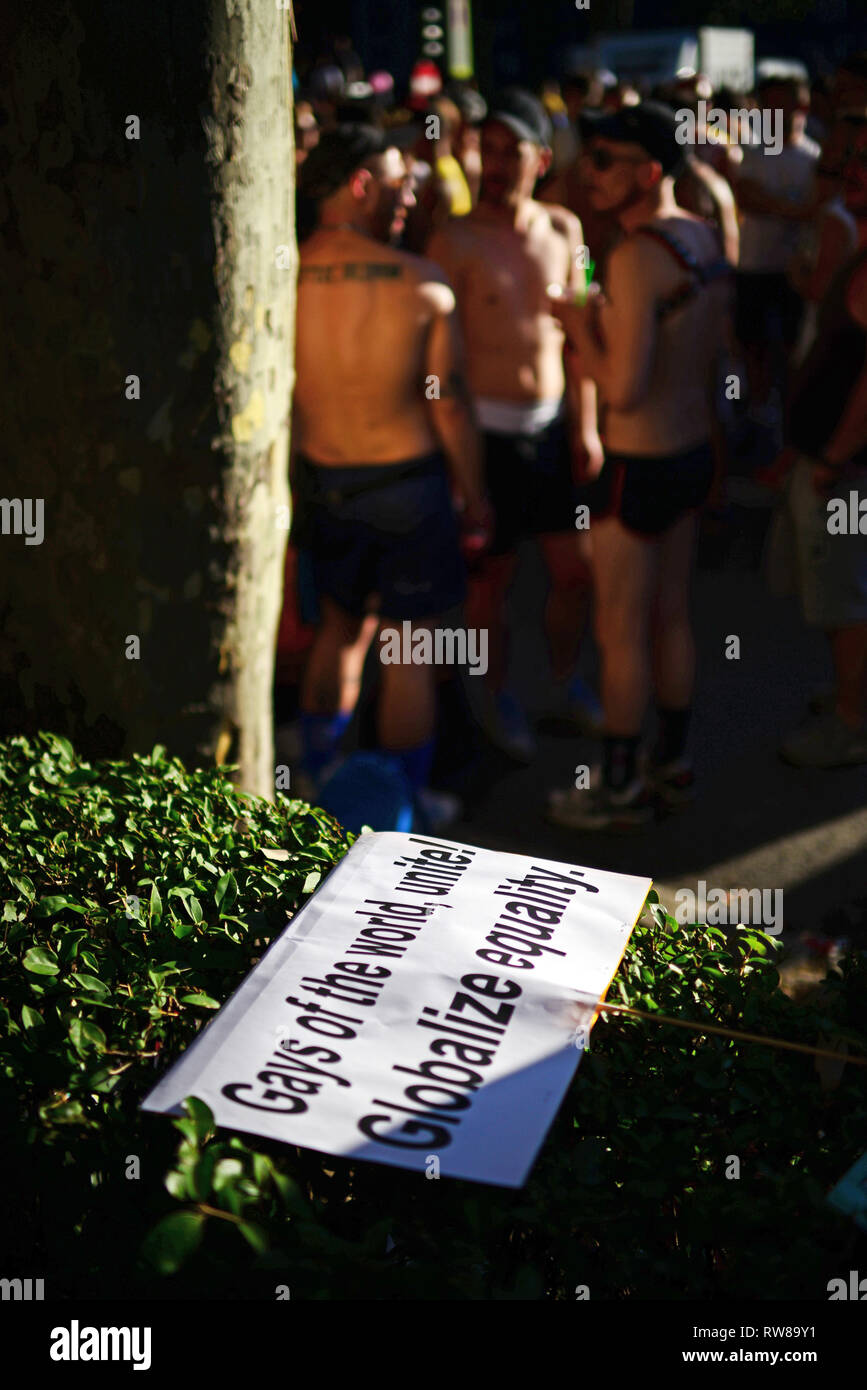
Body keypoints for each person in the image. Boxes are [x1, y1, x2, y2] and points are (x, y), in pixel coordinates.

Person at [291, 125, 491, 814]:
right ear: (359, 184)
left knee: (340, 631)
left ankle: (318, 780)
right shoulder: (421, 283)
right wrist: (476, 492)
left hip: (325, 480)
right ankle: (406, 803)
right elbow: (451, 407)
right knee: (409, 648)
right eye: (399, 184)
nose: (409, 198)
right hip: (407, 486)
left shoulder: (282, 271)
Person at [544, 102, 732, 829]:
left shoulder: (634, 255)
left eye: (604, 161)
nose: (587, 174)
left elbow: (618, 386)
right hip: (686, 452)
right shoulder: (701, 238)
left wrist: (575, 326)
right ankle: (673, 762)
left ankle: (619, 784)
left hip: (637, 460)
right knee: (671, 616)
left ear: (648, 172)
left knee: (619, 629)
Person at [427, 89, 604, 761]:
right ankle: (495, 697)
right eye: (486, 150)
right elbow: (438, 360)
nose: (495, 164)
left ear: (540, 156)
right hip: (486, 436)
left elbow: (579, 337)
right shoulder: (454, 238)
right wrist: (452, 454)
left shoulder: (566, 231)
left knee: (573, 574)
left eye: (510, 151)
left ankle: (565, 682)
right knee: (489, 585)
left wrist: (585, 426)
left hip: (552, 428)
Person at [773, 116, 867, 767]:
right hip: (836, 462)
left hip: (846, 470)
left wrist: (832, 457)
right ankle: (849, 697)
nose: (842, 177)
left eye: (858, 167)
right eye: (840, 165)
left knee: (844, 592)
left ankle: (851, 721)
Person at [732, 78, 820, 439]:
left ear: (800, 109)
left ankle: (788, 418)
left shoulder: (816, 158)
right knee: (751, 343)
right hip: (753, 266)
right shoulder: (755, 153)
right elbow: (747, 196)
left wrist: (781, 208)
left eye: (777, 105)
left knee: (790, 345)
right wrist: (797, 210)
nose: (768, 113)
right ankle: (757, 410)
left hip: (794, 272)